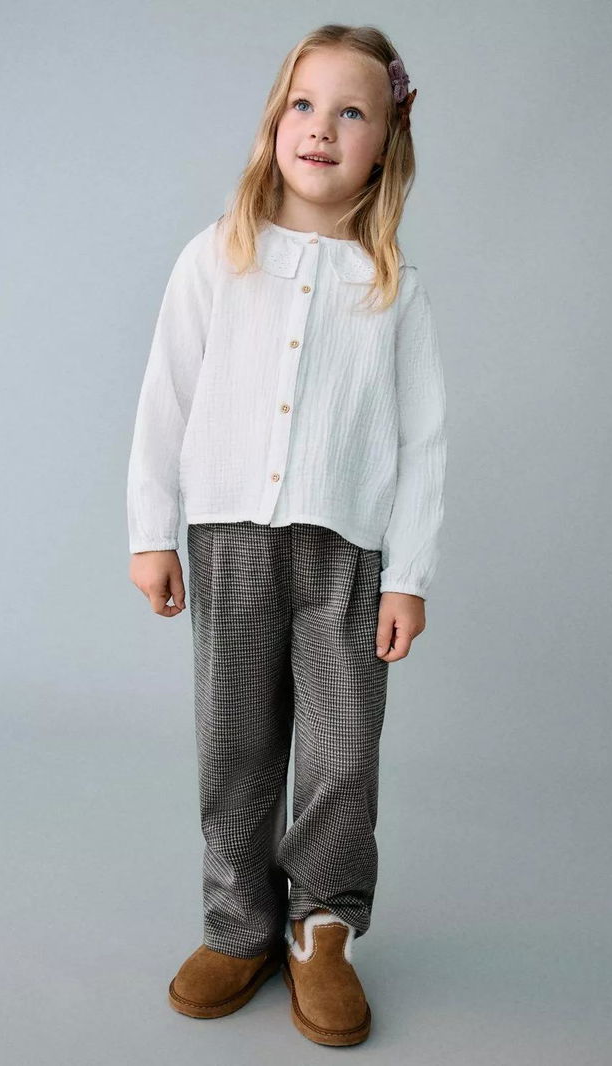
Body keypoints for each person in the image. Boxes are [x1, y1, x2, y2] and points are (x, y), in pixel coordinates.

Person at [127, 23, 447, 1047]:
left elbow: (424, 442)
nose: (322, 128)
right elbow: (165, 399)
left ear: (384, 144)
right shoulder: (215, 256)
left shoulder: (391, 287)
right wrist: (150, 532)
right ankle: (238, 925)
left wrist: (408, 575)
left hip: (346, 556)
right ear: (275, 123)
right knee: (235, 744)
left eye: (352, 112)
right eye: (304, 105)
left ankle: (321, 929)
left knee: (342, 754)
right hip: (227, 542)